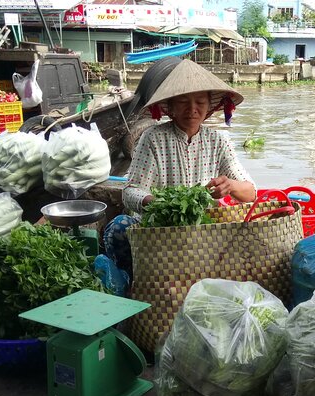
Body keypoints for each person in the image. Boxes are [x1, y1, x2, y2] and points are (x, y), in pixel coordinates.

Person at [104, 59, 257, 276]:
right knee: (118, 228)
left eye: (200, 102)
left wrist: (230, 185)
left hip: (201, 227)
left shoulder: (218, 141)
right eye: (183, 102)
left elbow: (251, 192)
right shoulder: (152, 139)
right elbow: (131, 192)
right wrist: (157, 204)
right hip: (157, 227)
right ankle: (131, 284)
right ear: (171, 107)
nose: (192, 109)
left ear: (210, 107)